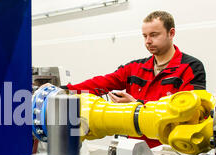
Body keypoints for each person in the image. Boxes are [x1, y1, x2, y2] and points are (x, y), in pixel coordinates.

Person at [65, 11, 206, 147]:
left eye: (154, 35)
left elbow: (190, 113)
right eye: (145, 36)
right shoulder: (135, 67)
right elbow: (101, 83)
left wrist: (137, 105)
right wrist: (64, 91)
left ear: (171, 33)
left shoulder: (191, 67)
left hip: (171, 151)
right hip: (135, 149)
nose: (148, 41)